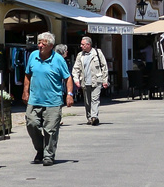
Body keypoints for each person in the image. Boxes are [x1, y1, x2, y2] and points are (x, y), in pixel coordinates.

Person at [21, 32, 74, 165]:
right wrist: (25, 92)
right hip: (34, 99)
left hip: (53, 101)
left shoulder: (58, 59)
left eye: (43, 44)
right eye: (39, 43)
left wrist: (69, 94)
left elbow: (68, 78)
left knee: (50, 129)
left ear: (50, 46)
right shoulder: (33, 56)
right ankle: (40, 149)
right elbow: (27, 75)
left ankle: (48, 155)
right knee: (31, 124)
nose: (39, 46)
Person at [71, 36, 109, 126]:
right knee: (87, 101)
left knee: (95, 99)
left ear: (88, 45)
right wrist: (76, 80)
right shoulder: (80, 55)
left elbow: (104, 66)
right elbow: (76, 68)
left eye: (83, 44)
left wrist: (105, 80)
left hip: (96, 80)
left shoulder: (97, 53)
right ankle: (89, 117)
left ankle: (94, 117)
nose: (81, 46)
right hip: (85, 81)